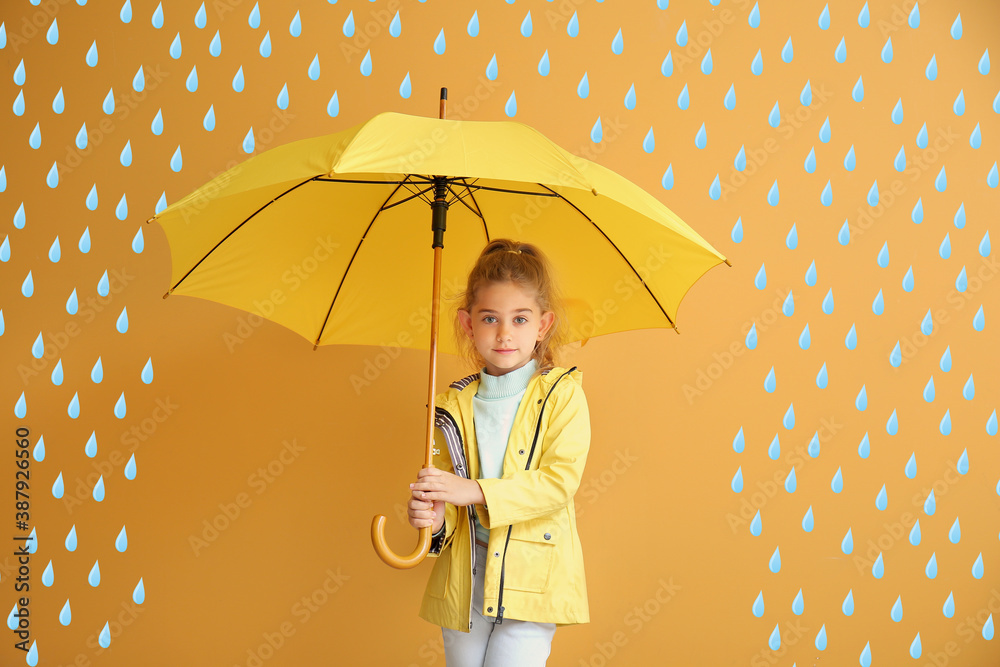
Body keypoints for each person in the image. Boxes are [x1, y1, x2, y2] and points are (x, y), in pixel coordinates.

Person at [407, 238, 591, 666]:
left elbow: (557, 484)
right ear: (468, 324)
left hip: (532, 578)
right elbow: (448, 502)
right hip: (465, 579)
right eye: (490, 318)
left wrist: (471, 490)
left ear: (543, 325)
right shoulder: (451, 405)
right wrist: (434, 517)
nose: (505, 333)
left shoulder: (562, 395)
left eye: (520, 319)